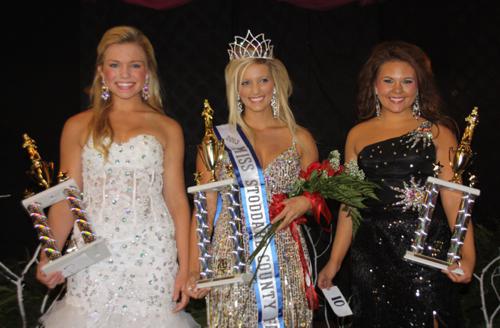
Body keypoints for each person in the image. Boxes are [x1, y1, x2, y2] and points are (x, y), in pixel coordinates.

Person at [36, 26, 198, 327]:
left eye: (135, 64)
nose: (125, 74)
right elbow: (66, 198)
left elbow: (176, 201)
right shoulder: (77, 125)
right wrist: (50, 252)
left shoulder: (167, 128)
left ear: (147, 72)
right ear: (101, 72)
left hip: (152, 251)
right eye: (114, 64)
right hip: (93, 249)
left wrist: (185, 268)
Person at [317, 41, 476, 327]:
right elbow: (349, 205)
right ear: (375, 86)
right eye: (388, 81)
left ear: (419, 87)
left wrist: (467, 255)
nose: (397, 90)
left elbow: (455, 198)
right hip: (371, 253)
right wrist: (335, 262)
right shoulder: (357, 134)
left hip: (424, 249)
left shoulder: (438, 133)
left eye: (407, 81)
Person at [185, 30, 318, 327]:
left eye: (263, 80)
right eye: (245, 82)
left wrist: (305, 202)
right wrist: (195, 267)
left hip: (284, 250)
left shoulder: (301, 139)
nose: (255, 89)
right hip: (230, 253)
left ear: (276, 83)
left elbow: (316, 194)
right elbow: (204, 208)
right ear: (235, 88)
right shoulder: (216, 141)